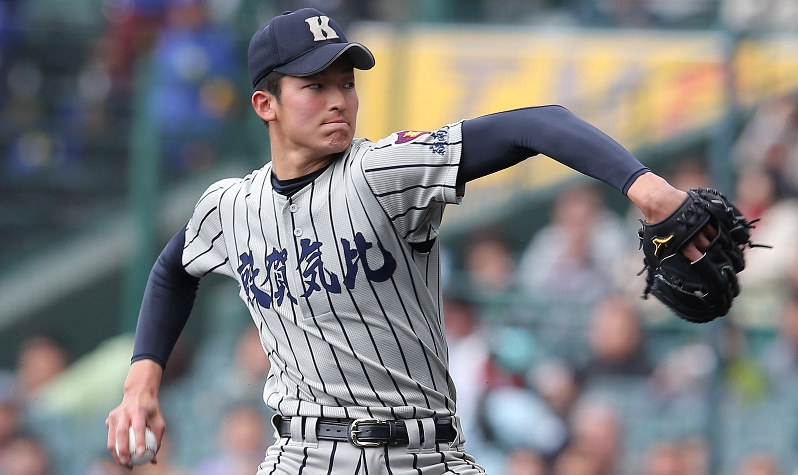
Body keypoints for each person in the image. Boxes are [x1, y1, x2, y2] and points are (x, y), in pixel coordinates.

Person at [105, 8, 715, 473]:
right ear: (266, 103)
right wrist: (142, 381)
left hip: (422, 453)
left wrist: (645, 187)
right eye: (314, 86)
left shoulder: (385, 172)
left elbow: (538, 123)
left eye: (345, 83)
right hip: (303, 453)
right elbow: (170, 271)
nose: (339, 100)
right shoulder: (228, 207)